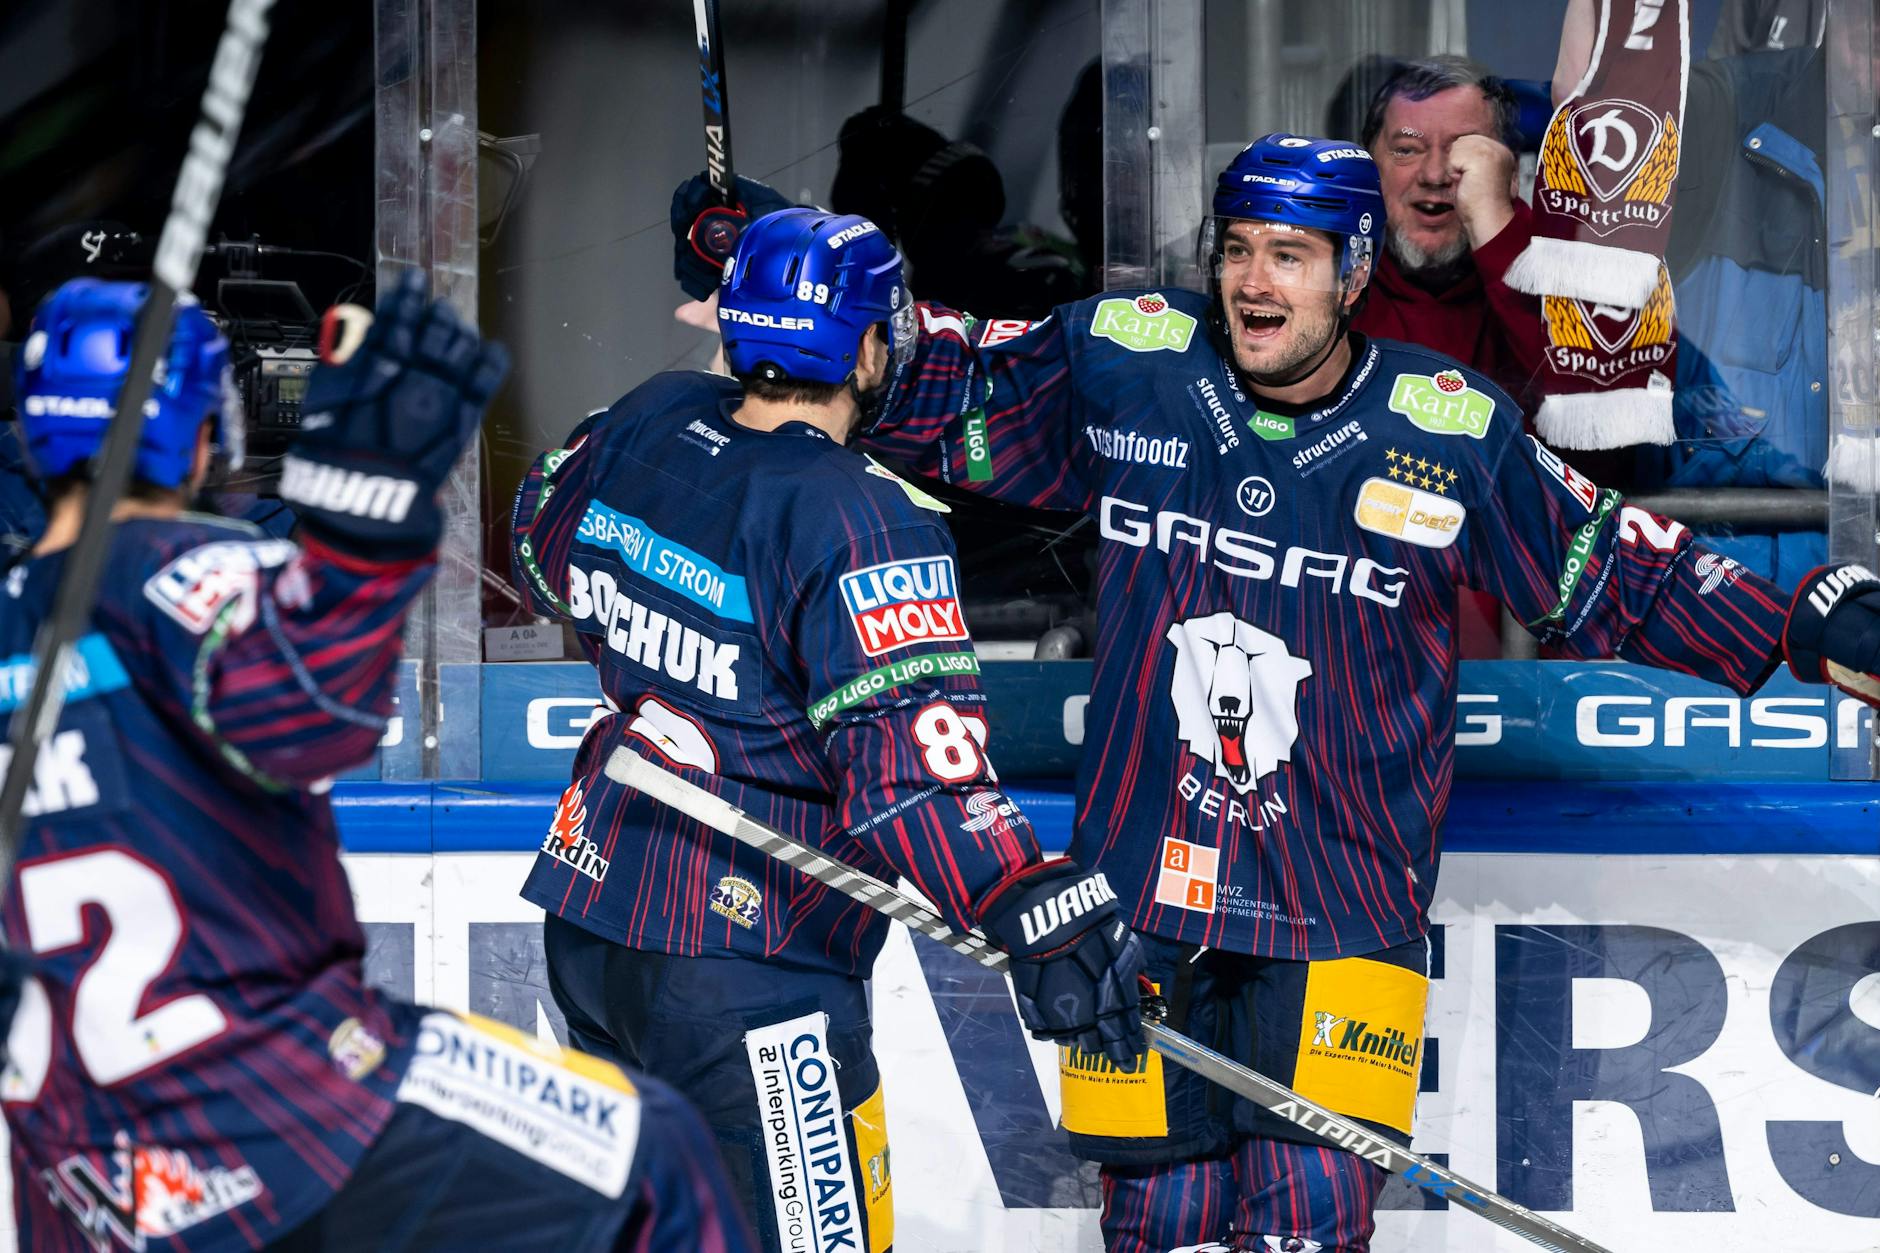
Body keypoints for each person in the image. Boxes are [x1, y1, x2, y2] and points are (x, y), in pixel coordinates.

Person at [676, 137, 1880, 1251]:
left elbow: (1606, 564)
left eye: (1290, 257)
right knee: (1159, 1223)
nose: (1254, 283)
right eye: (1238, 249)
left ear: (1351, 273)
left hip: (1342, 917)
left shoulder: (1443, 429)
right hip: (1134, 904)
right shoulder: (1126, 360)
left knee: (1309, 1226)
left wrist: (1797, 618)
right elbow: (931, 366)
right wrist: (776, 266)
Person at [1, 274, 757, 1252]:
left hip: (78, 1179)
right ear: (200, 431)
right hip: (277, 1120)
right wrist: (361, 521)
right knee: (652, 1152)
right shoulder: (192, 570)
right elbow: (316, 716)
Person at [513, 206, 1146, 1251]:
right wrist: (1024, 893)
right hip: (750, 966)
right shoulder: (864, 514)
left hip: (593, 915)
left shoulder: (651, 412)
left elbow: (541, 555)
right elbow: (910, 777)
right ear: (864, 345)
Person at [1354, 56, 1547, 408]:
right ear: (1371, 169)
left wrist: (1498, 231)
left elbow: (1592, 433)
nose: (1434, 174)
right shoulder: (1331, 281)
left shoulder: (1563, 274)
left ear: (1513, 174)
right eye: (1407, 150)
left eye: (1466, 150)